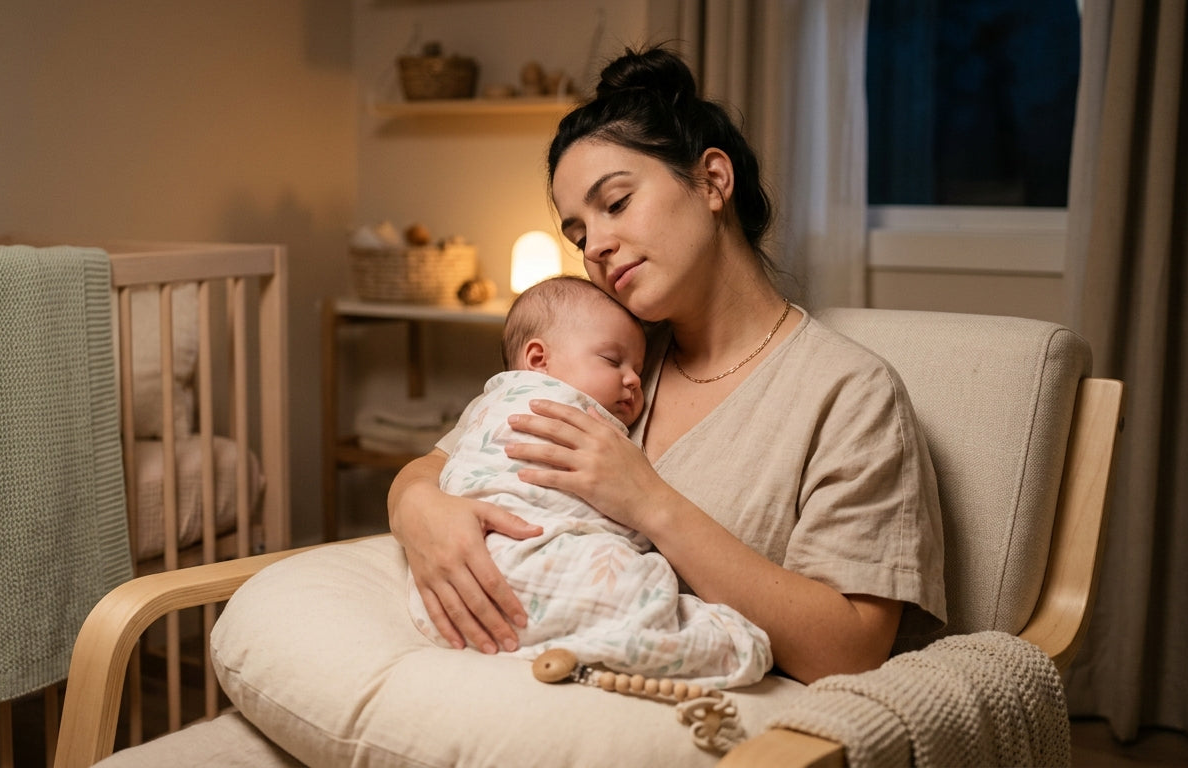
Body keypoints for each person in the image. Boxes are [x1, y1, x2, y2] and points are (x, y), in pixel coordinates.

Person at [389, 45, 947, 685]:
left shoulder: (848, 395)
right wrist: (418, 511)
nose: (595, 245)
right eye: (578, 234)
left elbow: (849, 651)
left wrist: (648, 500)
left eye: (617, 203)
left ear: (713, 180)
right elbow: (436, 465)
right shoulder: (605, 356)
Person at [406, 275, 771, 688]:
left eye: (637, 367)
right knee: (631, 587)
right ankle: (714, 645)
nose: (634, 379)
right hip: (480, 558)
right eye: (613, 361)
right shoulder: (518, 404)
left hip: (449, 604)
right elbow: (445, 467)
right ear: (539, 361)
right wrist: (416, 501)